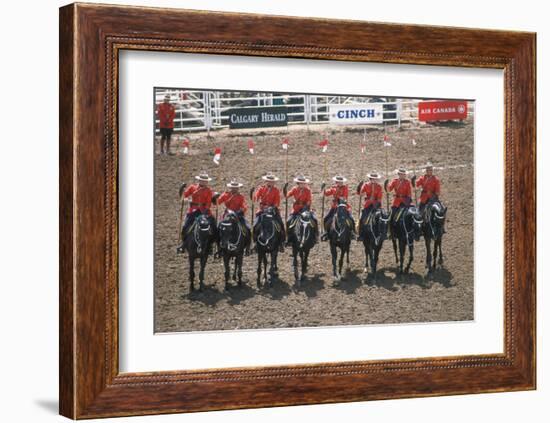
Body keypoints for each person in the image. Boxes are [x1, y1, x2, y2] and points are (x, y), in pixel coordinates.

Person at [176, 173, 216, 253]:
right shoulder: (192, 187)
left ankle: (210, 244)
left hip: (204, 210)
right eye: (202, 181)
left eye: (206, 181)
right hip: (193, 210)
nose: (204, 182)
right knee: (186, 225)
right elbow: (185, 195)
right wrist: (183, 192)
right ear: (199, 180)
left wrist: (205, 211)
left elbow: (208, 203)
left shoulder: (209, 191)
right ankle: (183, 244)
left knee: (213, 225)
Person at [253, 173, 285, 251]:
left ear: (274, 182)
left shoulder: (276, 190)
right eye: (269, 181)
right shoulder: (261, 189)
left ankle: (281, 243)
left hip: (272, 210)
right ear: (266, 181)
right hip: (262, 210)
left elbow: (277, 202)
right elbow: (256, 197)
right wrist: (254, 195)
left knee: (281, 224)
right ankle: (255, 242)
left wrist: (271, 207)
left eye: (272, 181)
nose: (270, 183)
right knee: (255, 225)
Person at [285, 175, 319, 244]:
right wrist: (285, 189)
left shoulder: (308, 190)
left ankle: (315, 236)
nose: (303, 184)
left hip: (305, 210)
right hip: (296, 210)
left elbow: (309, 201)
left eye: (304, 183)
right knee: (288, 221)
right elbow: (287, 195)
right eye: (301, 183)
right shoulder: (294, 189)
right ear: (298, 183)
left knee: (315, 219)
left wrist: (304, 208)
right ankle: (289, 237)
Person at [321, 175, 356, 241]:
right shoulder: (333, 188)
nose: (340, 183)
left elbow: (344, 197)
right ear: (336, 182)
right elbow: (326, 193)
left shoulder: (345, 188)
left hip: (343, 207)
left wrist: (337, 199)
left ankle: (352, 232)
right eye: (338, 182)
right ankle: (326, 232)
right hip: (334, 207)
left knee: (351, 218)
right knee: (326, 218)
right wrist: (323, 188)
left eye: (341, 182)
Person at [357, 172, 384, 241]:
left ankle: (384, 233)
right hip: (368, 204)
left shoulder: (379, 186)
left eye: (376, 179)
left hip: (376, 204)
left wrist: (376, 204)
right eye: (373, 179)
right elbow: (361, 193)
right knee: (362, 218)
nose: (374, 180)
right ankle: (361, 234)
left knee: (384, 217)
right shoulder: (366, 185)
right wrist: (359, 187)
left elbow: (379, 197)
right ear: (370, 179)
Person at [387, 167, 413, 238]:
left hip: (405, 201)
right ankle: (391, 231)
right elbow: (389, 189)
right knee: (391, 215)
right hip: (397, 201)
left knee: (413, 214)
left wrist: (408, 200)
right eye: (401, 174)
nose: (403, 176)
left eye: (404, 174)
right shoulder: (395, 181)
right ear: (398, 174)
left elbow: (409, 193)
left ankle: (414, 230)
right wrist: (386, 185)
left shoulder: (407, 182)